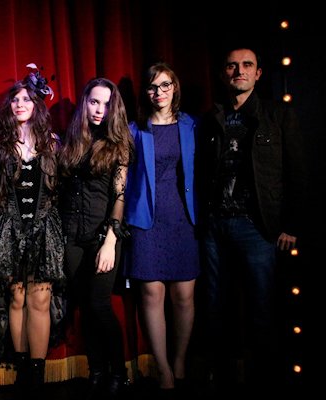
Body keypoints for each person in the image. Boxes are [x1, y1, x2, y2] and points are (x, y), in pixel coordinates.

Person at [197, 45, 306, 395]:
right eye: (231, 66)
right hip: (216, 226)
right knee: (216, 307)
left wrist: (291, 224)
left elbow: (297, 172)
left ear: (258, 74)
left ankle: (265, 381)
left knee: (261, 308)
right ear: (222, 73)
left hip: (257, 226)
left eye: (246, 65)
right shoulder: (212, 119)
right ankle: (224, 377)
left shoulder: (277, 115)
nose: (238, 71)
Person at [0, 64, 65, 396]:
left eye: (26, 100)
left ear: (36, 106)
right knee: (16, 298)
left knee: (40, 300)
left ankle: (37, 374)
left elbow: (66, 186)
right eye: (15, 100)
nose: (19, 105)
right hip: (10, 229)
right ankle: (20, 369)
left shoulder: (53, 144)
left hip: (45, 229)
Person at [122, 62, 199, 394]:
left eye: (165, 85)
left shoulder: (191, 125)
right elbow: (121, 180)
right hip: (145, 220)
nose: (159, 92)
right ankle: (163, 367)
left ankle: (180, 359)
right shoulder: (134, 130)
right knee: (151, 293)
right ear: (146, 92)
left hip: (183, 218)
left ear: (175, 88)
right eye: (153, 87)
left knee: (184, 295)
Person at [58, 77, 134, 399]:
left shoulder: (119, 144)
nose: (99, 109)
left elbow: (119, 196)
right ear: (85, 103)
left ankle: (119, 371)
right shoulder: (72, 139)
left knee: (100, 305)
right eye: (93, 102)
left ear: (113, 106)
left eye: (105, 103)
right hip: (71, 235)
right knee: (84, 309)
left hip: (102, 234)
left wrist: (110, 241)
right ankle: (96, 369)